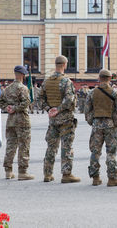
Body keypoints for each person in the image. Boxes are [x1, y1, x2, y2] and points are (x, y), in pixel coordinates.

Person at [84, 69, 117, 186]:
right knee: (111, 152)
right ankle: (112, 178)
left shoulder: (92, 93)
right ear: (110, 79)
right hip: (111, 125)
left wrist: (92, 122)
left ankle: (95, 178)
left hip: (97, 125)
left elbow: (87, 111)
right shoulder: (115, 92)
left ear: (99, 78)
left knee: (95, 151)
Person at [40, 55, 80, 183]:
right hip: (65, 119)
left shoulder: (47, 81)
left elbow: (39, 99)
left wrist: (49, 109)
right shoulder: (66, 81)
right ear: (65, 65)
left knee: (51, 147)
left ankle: (47, 174)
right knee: (66, 146)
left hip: (53, 120)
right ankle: (66, 174)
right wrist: (59, 109)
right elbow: (69, 99)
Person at [0, 66, 34, 180]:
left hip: (11, 121)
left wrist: (7, 108)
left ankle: (8, 171)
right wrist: (15, 108)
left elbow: (0, 102)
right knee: (24, 145)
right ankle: (22, 172)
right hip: (22, 120)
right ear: (23, 75)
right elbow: (26, 103)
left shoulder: (7, 88)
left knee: (10, 145)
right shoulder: (23, 88)